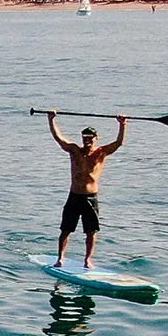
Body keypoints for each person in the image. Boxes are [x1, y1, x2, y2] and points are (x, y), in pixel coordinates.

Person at [46, 110, 126, 269]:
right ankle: (60, 258)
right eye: (85, 137)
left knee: (91, 231)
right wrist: (51, 119)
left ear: (96, 139)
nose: (87, 140)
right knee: (66, 230)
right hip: (74, 196)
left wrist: (122, 125)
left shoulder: (101, 152)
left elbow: (118, 143)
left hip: (90, 197)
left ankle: (87, 260)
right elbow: (58, 138)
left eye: (90, 138)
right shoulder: (74, 150)